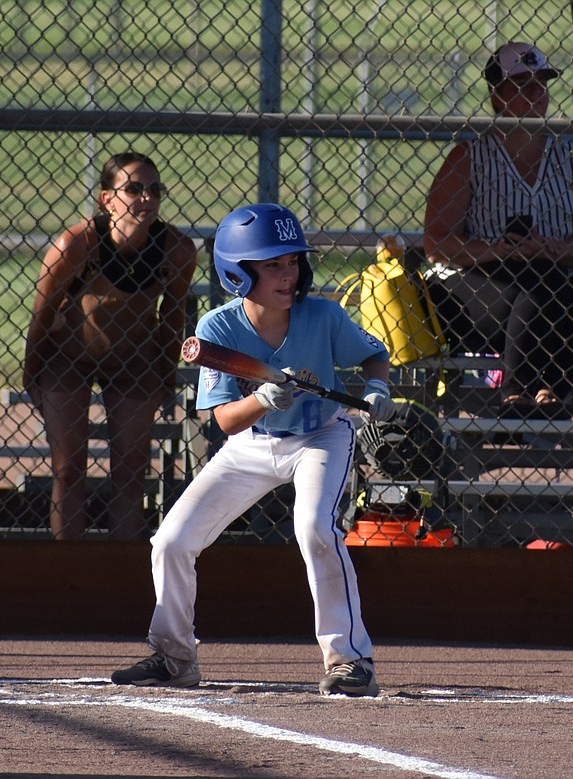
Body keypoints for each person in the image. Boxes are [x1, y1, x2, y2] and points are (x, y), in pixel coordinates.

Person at [111, 203, 396, 695]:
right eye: (272, 266)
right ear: (237, 274)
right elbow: (223, 419)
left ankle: (351, 661)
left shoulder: (322, 315)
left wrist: (378, 389)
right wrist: (262, 399)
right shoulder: (218, 330)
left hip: (321, 436)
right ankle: (174, 657)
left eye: (292, 262)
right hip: (251, 444)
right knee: (172, 542)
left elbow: (373, 354)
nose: (289, 275)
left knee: (314, 529)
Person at [423, 40, 573, 419]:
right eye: (523, 84)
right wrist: (501, 250)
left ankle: (548, 390)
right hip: (481, 284)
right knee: (539, 278)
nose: (536, 93)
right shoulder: (468, 157)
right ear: (497, 95)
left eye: (541, 83)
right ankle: (517, 393)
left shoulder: (572, 157)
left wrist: (554, 249)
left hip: (557, 281)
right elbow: (437, 245)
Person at [23, 152, 198, 540]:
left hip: (133, 359)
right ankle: (68, 573)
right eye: (134, 189)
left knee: (131, 472)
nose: (147, 198)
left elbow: (172, 317)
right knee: (68, 469)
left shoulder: (177, 250)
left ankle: (121, 576)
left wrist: (165, 378)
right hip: (67, 357)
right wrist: (31, 372)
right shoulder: (77, 243)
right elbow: (43, 310)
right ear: (107, 199)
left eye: (155, 190)